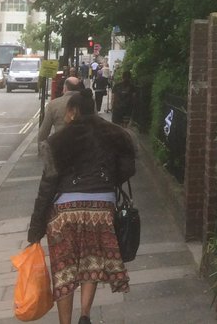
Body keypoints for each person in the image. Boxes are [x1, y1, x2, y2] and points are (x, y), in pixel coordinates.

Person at [26, 90, 135, 324]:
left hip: (65, 211)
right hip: (102, 207)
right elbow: (128, 169)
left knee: (64, 269)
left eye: (68, 112)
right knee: (91, 260)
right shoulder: (116, 133)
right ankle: (85, 315)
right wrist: (107, 180)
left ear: (74, 111)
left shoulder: (57, 141)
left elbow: (47, 185)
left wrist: (36, 228)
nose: (66, 116)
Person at [38, 76, 82, 171]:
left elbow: (44, 130)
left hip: (61, 147)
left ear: (65, 88)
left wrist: (41, 149)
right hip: (84, 146)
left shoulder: (53, 104)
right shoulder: (89, 102)